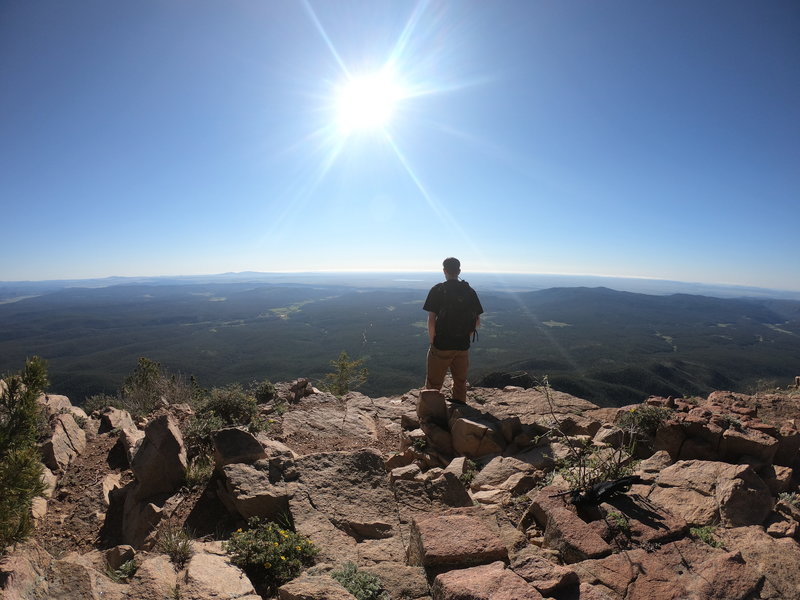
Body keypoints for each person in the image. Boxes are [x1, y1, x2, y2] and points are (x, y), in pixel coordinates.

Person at [423, 257, 484, 403]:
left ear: (444, 270)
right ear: (459, 271)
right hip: (462, 345)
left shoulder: (438, 290)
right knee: (460, 382)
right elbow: (477, 321)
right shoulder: (469, 291)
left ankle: (430, 416)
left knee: (433, 384)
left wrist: (433, 341)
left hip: (441, 345)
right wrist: (465, 336)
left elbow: (431, 319)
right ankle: (459, 414)